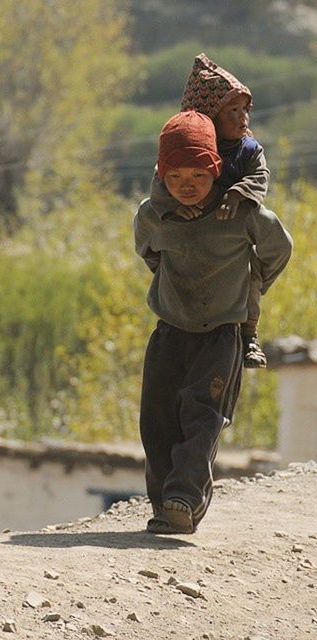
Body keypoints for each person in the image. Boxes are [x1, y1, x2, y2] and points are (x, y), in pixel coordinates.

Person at [134, 110, 292, 534]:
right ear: (162, 176)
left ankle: (183, 499)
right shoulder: (153, 215)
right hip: (169, 332)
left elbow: (279, 249)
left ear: (216, 170)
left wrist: (250, 283)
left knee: (202, 417)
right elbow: (148, 252)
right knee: (157, 419)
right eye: (176, 176)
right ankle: (164, 506)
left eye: (199, 175)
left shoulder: (241, 214)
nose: (188, 185)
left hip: (221, 336)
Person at [150, 53, 270, 368]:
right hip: (188, 246)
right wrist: (175, 208)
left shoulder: (249, 150)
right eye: (232, 110)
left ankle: (249, 333)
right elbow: (159, 186)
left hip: (234, 238)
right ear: (209, 115)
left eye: (245, 109)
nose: (242, 117)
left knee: (250, 275)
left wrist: (237, 194)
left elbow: (260, 178)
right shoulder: (189, 148)